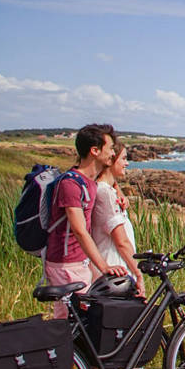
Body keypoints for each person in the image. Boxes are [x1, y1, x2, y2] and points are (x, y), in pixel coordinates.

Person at [44, 123, 128, 317]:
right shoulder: (71, 184)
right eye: (110, 149)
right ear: (95, 151)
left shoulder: (89, 180)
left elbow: (108, 179)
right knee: (70, 321)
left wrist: (118, 190)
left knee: (83, 322)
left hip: (80, 262)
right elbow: (79, 230)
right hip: (66, 264)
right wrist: (104, 266)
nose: (113, 154)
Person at [92, 138, 145, 297]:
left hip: (115, 273)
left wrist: (117, 189)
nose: (126, 163)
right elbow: (121, 242)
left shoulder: (107, 190)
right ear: (110, 161)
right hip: (115, 273)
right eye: (123, 158)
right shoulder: (105, 193)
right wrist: (139, 274)